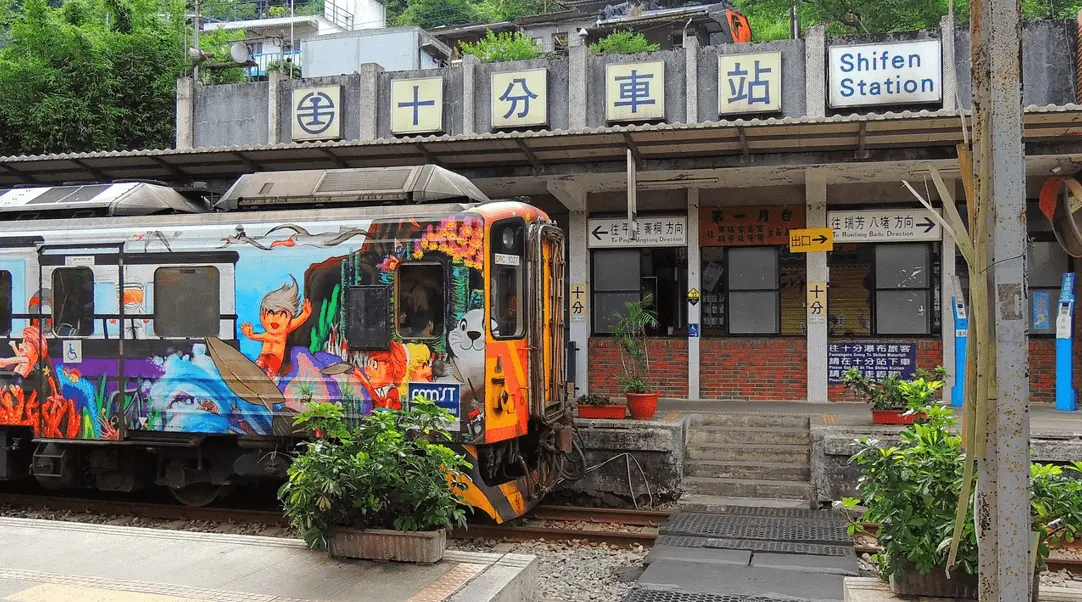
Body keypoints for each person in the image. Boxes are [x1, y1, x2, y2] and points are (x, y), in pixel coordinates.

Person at [241, 277, 312, 379]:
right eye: (270, 313)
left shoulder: (285, 329)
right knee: (257, 367)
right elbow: (255, 336)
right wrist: (250, 334)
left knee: (270, 375)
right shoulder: (267, 334)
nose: (275, 318)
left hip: (275, 360)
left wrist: (305, 313)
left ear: (289, 316)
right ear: (262, 314)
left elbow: (300, 320)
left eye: (282, 314)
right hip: (263, 356)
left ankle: (270, 383)